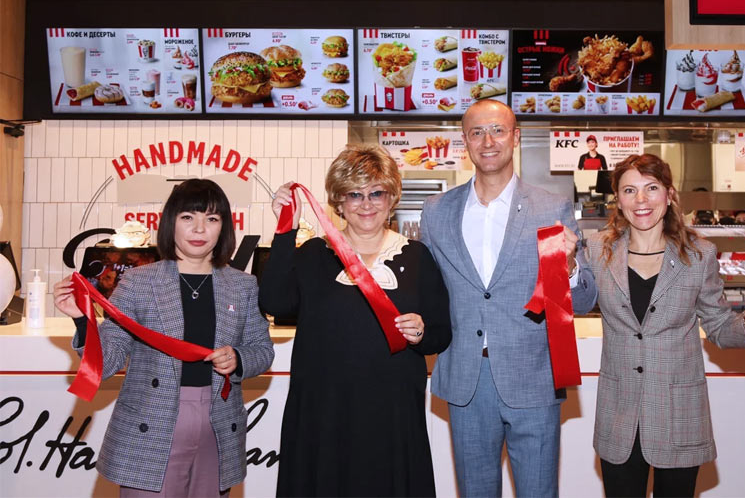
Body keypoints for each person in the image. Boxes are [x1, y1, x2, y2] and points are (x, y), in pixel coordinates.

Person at [53, 179, 275, 497]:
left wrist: (238, 358)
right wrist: (81, 319)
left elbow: (262, 350)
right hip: (151, 426)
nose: (199, 228)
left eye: (212, 218)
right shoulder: (139, 282)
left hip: (218, 427)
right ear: (171, 222)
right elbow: (107, 360)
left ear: (224, 227)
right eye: (188, 217)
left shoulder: (242, 285)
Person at [420, 100, 597, 497]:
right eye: (477, 132)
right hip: (466, 379)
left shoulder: (551, 207)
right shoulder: (437, 210)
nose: (488, 141)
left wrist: (569, 266)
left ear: (515, 137)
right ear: (464, 141)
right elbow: (426, 290)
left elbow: (584, 301)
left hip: (533, 375)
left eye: (498, 130)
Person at [584, 154, 745, 497]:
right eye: (629, 190)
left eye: (651, 188)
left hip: (679, 413)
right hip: (619, 414)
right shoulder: (597, 250)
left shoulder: (699, 254)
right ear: (618, 199)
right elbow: (576, 300)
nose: (641, 200)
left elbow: (718, 325)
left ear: (669, 194)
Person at [260, 145, 451, 497]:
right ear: (338, 201)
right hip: (323, 409)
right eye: (354, 194)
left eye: (376, 193)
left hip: (392, 411)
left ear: (392, 198)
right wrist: (285, 230)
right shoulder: (314, 254)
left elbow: (441, 333)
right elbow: (274, 302)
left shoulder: (417, 256)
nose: (366, 204)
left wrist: (421, 331)